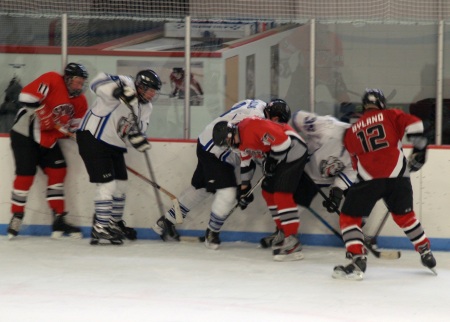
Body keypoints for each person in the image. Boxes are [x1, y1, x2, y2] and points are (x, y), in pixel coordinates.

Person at [153, 99, 291, 250]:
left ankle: (165, 222)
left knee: (203, 189)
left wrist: (246, 185)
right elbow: (248, 153)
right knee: (227, 192)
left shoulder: (258, 103)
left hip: (208, 140)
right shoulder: (256, 122)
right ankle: (212, 233)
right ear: (275, 118)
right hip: (217, 150)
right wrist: (247, 184)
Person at [332, 88, 437, 281]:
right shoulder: (391, 114)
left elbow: (354, 161)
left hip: (369, 179)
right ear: (382, 104)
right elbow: (416, 126)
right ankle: (425, 251)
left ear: (364, 106)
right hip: (398, 176)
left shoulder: (352, 130)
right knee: (405, 216)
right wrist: (420, 152)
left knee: (349, 218)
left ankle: (357, 258)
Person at [76, 69, 162, 245]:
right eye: (150, 90)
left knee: (121, 185)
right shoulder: (125, 82)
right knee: (107, 185)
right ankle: (100, 227)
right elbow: (96, 83)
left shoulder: (146, 107)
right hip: (93, 137)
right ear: (140, 86)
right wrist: (118, 91)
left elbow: (135, 132)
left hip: (114, 143)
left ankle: (112, 223)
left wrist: (137, 140)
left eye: (155, 91)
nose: (152, 95)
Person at [7, 62, 89, 239]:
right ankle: (17, 216)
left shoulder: (81, 101)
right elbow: (25, 96)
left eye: (82, 82)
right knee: (25, 174)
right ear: (67, 79)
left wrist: (79, 137)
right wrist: (41, 109)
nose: (79, 86)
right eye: (76, 81)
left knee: (58, 170)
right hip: (25, 134)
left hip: (48, 137)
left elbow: (75, 128)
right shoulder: (52, 79)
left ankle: (58, 219)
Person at [213, 116, 308, 261]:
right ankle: (283, 231)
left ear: (231, 134)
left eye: (227, 142)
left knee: (281, 194)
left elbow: (284, 142)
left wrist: (272, 160)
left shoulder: (252, 127)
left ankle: (293, 240)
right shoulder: (239, 142)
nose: (229, 146)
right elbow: (246, 162)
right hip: (279, 155)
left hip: (293, 149)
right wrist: (244, 188)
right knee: (268, 192)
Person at [259, 110, 356, 248]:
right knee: (290, 207)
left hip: (327, 178)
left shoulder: (362, 148)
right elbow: (298, 118)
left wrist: (337, 190)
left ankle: (356, 235)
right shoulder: (326, 127)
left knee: (359, 195)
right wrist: (289, 144)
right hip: (304, 171)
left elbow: (352, 170)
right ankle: (282, 234)